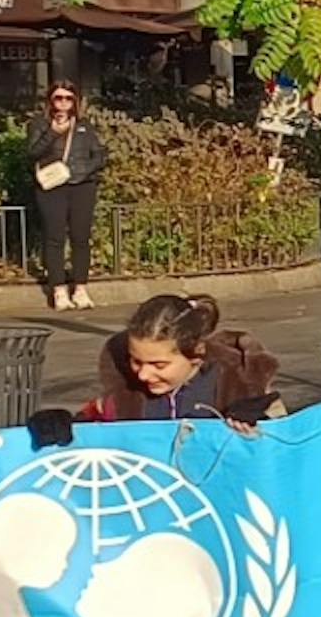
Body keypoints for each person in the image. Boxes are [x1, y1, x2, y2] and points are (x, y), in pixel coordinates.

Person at [87, 291, 277, 426]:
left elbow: (285, 447)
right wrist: (67, 426)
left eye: (159, 365)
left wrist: (262, 426)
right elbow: (89, 435)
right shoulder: (120, 394)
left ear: (196, 353)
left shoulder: (241, 384)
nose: (143, 375)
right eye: (136, 361)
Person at [26, 82, 107, 310]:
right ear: (50, 101)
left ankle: (80, 287)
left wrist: (81, 172)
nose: (63, 103)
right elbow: (32, 153)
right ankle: (59, 289)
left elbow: (99, 155)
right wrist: (53, 133)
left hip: (82, 186)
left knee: (81, 238)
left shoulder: (84, 126)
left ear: (75, 102)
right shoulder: (39, 124)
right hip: (52, 186)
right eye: (58, 98)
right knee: (54, 238)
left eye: (68, 98)